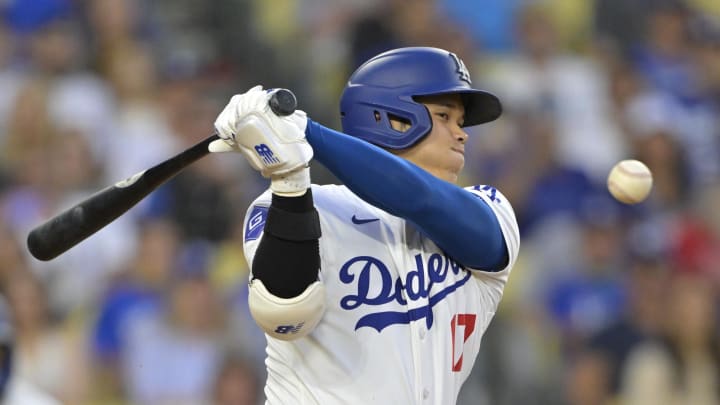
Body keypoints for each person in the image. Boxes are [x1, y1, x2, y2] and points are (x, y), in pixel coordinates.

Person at [211, 46, 520, 404]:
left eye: (461, 123)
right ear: (392, 118)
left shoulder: (489, 209)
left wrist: (304, 132)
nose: (462, 134)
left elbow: (420, 198)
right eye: (444, 116)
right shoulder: (307, 205)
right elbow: (284, 312)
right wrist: (290, 178)